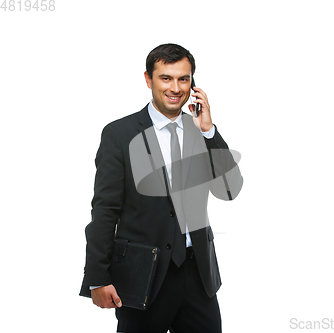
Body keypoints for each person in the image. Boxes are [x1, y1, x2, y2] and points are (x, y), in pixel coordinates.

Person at [79, 43, 243, 332]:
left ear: (193, 83)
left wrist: (209, 131)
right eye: (166, 78)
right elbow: (105, 209)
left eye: (184, 78)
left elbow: (229, 189)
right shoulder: (120, 134)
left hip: (198, 276)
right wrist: (98, 277)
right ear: (148, 79)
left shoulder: (200, 131)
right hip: (143, 274)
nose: (175, 87)